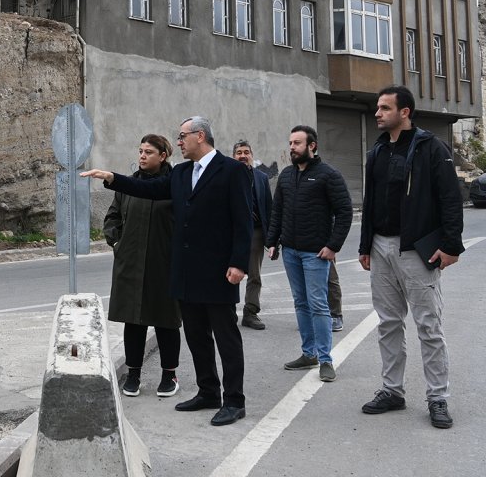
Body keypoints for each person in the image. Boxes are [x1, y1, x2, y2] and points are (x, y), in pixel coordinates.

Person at [82, 116, 252, 427]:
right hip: (185, 272)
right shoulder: (182, 173)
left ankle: (235, 400)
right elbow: (146, 189)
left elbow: (243, 220)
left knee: (226, 337)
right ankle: (208, 391)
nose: (178, 142)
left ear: (200, 136)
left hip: (218, 271)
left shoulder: (232, 170)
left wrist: (239, 263)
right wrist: (112, 178)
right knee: (197, 336)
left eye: (183, 136)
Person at [359, 85, 465, 429]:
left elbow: (451, 198)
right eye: (377, 107)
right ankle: (393, 391)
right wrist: (364, 246)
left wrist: (450, 246)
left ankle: (438, 398)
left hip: (417, 250)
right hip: (381, 247)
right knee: (388, 324)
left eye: (384, 108)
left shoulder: (431, 148)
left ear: (404, 112)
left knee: (428, 327)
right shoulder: (376, 151)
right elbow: (370, 201)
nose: (377, 113)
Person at [264, 126, 352, 383]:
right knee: (300, 303)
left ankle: (325, 359)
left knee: (318, 304)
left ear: (312, 146)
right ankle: (308, 354)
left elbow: (345, 212)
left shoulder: (328, 175)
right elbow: (277, 211)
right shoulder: (287, 175)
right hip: (290, 250)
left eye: (297, 143)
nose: (292, 147)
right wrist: (272, 241)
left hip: (316, 253)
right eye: (290, 143)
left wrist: (333, 246)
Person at [102, 134, 182, 399]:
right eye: (140, 151)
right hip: (131, 263)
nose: (142, 156)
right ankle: (133, 374)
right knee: (133, 321)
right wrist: (117, 244)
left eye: (149, 152)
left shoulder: (175, 184)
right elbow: (112, 217)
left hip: (164, 264)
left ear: (163, 156)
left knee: (166, 321)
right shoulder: (128, 185)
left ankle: (169, 374)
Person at [232, 140, 273, 331]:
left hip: (256, 232)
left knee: (254, 275)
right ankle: (229, 311)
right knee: (230, 273)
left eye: (246, 152)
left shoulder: (261, 178)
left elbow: (268, 208)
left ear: (251, 155)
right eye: (239, 152)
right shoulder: (226, 176)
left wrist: (272, 239)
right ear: (234, 156)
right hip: (231, 232)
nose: (242, 155)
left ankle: (251, 312)